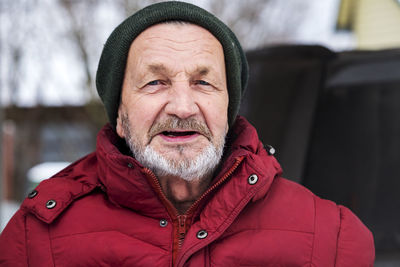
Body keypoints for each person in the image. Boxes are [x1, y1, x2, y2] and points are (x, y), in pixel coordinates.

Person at [0, 1, 374, 266]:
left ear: (228, 108)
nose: (182, 106)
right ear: (119, 114)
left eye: (203, 82)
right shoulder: (35, 241)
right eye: (155, 82)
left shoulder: (332, 239)